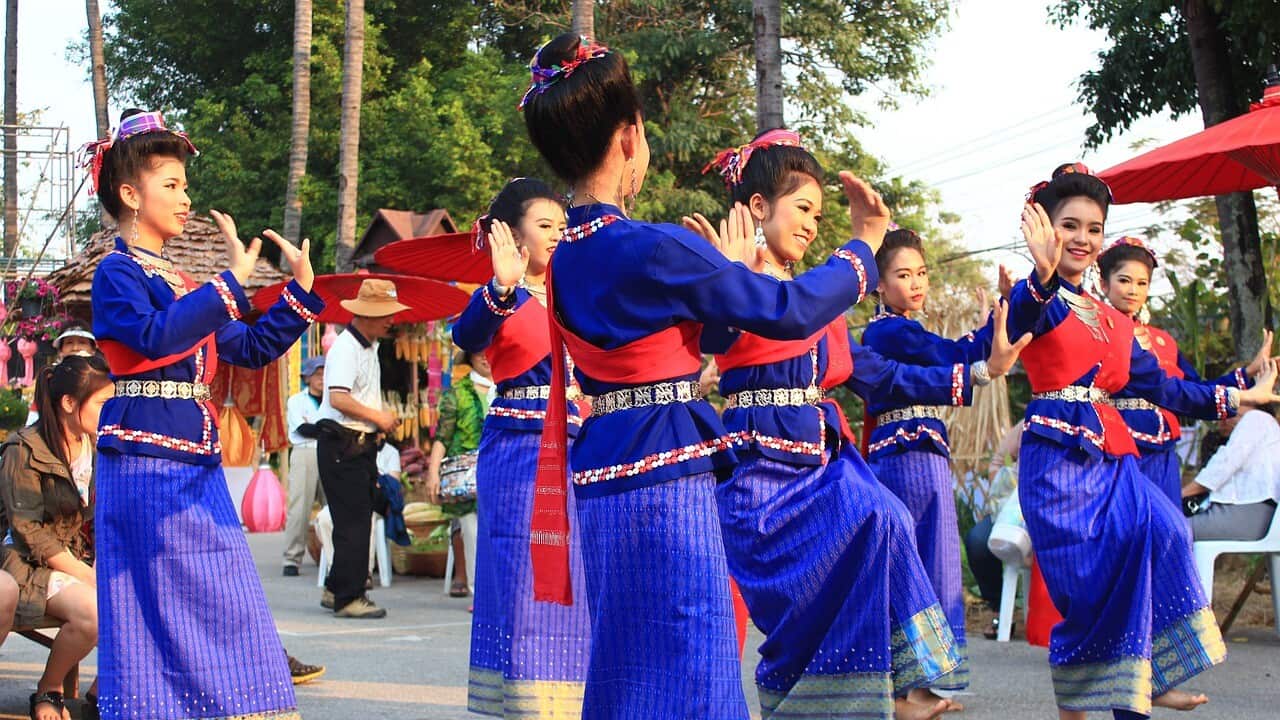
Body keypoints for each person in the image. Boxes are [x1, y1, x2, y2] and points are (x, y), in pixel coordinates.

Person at [521, 33, 888, 718]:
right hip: (667, 477)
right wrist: (863, 248)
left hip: (604, 474)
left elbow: (681, 344)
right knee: (693, 663)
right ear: (630, 136)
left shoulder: (568, 255)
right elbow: (789, 309)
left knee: (629, 665)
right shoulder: (655, 246)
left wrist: (727, 275)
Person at [694, 130, 1030, 720]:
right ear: (756, 208)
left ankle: (897, 688)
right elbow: (715, 337)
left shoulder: (814, 299)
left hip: (822, 457)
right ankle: (840, 696)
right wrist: (727, 278)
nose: (810, 225)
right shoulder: (737, 279)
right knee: (828, 579)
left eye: (818, 216)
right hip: (763, 470)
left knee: (886, 520)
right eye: (802, 209)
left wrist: (982, 368)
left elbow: (887, 373)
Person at [1006, 162, 1280, 720]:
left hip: (1112, 459)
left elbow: (1161, 385)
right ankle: (1081, 707)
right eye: (1069, 225)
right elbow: (1018, 323)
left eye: (1093, 228)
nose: (1082, 238)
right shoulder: (1035, 295)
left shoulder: (1113, 319)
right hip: (1058, 463)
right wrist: (1040, 273)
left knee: (1163, 531)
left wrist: (1240, 394)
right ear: (1044, 226)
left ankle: (1146, 685)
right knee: (1087, 592)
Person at [87, 108, 324, 720]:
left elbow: (244, 348)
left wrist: (299, 291)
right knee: (158, 603)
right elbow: (152, 337)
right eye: (172, 185)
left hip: (192, 454)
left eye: (186, 186)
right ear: (130, 194)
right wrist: (226, 286)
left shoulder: (186, 279)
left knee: (219, 594)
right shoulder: (117, 272)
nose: (185, 198)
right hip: (142, 455)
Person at [451, 177, 591, 717]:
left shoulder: (575, 296)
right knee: (521, 576)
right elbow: (466, 337)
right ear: (512, 236)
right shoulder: (497, 298)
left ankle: (571, 700)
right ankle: (525, 703)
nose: (557, 235)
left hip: (578, 446)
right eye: (544, 226)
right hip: (518, 448)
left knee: (575, 575)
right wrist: (500, 286)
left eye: (562, 225)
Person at [860, 228, 1006, 696]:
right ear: (879, 285)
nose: (916, 283)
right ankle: (914, 687)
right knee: (925, 561)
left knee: (926, 559)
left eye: (921, 273)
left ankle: (915, 684)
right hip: (909, 455)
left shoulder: (900, 330)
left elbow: (952, 354)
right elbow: (952, 355)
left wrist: (995, 321)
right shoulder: (890, 331)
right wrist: (995, 325)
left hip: (915, 449)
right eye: (903, 275)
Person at [1097, 236, 1270, 506]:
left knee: (1166, 529)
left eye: (1142, 283)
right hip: (1115, 446)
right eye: (1124, 280)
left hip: (1164, 449)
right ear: (1104, 284)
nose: (1133, 290)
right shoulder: (1096, 334)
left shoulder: (1162, 340)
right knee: (1125, 528)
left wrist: (1248, 371)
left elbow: (1194, 389)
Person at [0, 355, 110, 720]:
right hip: (26, 563)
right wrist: (87, 575)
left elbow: (102, 519)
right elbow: (28, 532)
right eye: (102, 403)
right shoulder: (24, 449)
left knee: (141, 593)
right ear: (69, 404)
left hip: (74, 559)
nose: (109, 411)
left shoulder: (97, 448)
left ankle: (105, 690)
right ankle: (49, 689)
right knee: (95, 612)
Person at [315, 278, 403, 619]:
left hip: (359, 442)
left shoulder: (370, 347)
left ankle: (336, 586)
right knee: (353, 523)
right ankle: (349, 597)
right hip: (342, 440)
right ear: (365, 314)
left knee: (357, 517)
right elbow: (338, 397)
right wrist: (377, 417)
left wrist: (378, 422)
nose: (390, 320)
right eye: (384, 314)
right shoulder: (346, 347)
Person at [963, 420, 1024, 639]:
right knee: (978, 540)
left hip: (1058, 507)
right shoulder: (1027, 424)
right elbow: (997, 462)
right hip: (1016, 509)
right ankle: (999, 609)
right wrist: (1003, 488)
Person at [1183, 406, 1280, 541]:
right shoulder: (1267, 425)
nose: (1221, 421)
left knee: (1168, 530)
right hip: (1249, 514)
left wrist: (1177, 496)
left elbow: (1223, 466)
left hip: (1247, 514)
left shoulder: (1256, 418)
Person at [282, 355, 326, 576]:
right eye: (317, 374)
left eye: (324, 373)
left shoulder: (332, 398)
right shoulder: (296, 400)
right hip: (305, 452)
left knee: (332, 507)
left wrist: (321, 428)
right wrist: (327, 429)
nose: (321, 378)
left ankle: (332, 556)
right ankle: (292, 557)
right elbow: (303, 429)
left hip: (329, 451)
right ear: (307, 377)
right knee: (299, 507)